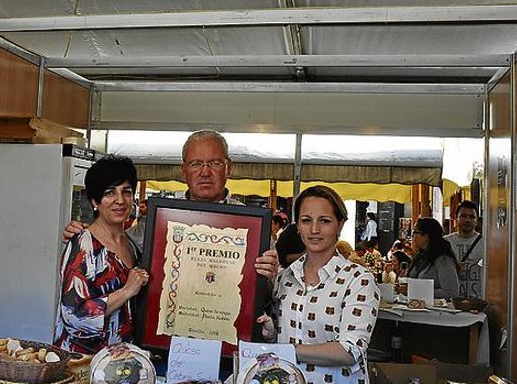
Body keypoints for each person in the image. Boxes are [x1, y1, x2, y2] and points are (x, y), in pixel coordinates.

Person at [62, 130, 279, 279]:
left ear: (228, 168)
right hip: (166, 337)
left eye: (214, 163)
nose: (205, 172)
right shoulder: (160, 218)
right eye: (196, 163)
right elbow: (117, 245)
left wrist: (270, 275)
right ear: (183, 169)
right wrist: (87, 233)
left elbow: (266, 290)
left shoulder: (253, 225)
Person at [257, 186, 379, 384]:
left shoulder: (358, 280)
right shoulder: (284, 277)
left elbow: (349, 350)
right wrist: (271, 333)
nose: (314, 229)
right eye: (306, 220)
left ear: (340, 225)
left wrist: (283, 350)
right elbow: (284, 334)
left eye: (324, 221)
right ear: (298, 227)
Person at [54, 155, 150, 354]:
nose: (120, 200)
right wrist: (126, 291)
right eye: (110, 193)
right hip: (83, 364)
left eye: (127, 192)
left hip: (118, 363)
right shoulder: (83, 246)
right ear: (95, 201)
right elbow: (74, 316)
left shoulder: (131, 244)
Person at [405, 218, 460, 299]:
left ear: (426, 236)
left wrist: (419, 291)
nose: (413, 237)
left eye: (415, 232)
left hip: (435, 310)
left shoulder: (443, 259)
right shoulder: (421, 256)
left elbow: (451, 292)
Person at [444, 200, 484, 298]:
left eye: (472, 217)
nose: (468, 220)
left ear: (476, 221)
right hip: (452, 302)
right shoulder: (445, 243)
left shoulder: (486, 243)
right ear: (456, 218)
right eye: (463, 216)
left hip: (478, 301)